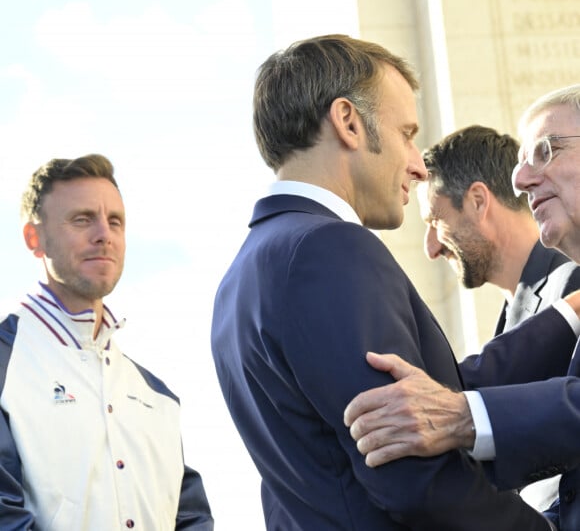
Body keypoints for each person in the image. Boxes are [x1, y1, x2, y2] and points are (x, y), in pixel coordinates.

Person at [210, 34, 576, 530]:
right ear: (348, 122)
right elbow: (412, 473)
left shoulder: (242, 277)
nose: (418, 165)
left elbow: (434, 399)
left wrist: (567, 316)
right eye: (407, 133)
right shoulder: (328, 249)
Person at [344, 84, 580, 530]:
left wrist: (461, 416)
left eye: (545, 151)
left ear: (476, 200)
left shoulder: (571, 290)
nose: (520, 179)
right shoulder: (514, 313)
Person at [0, 154, 213, 530]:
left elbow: (192, 518)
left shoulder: (158, 397)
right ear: (35, 238)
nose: (104, 233)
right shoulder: (6, 368)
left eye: (115, 221)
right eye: (82, 219)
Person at [419, 125, 580, 508]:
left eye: (434, 220)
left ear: (477, 201)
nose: (430, 247)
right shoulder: (512, 312)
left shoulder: (572, 282)